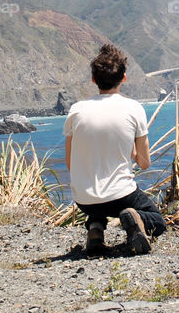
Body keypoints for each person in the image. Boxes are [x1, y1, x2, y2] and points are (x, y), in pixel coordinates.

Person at [64, 44, 166, 254]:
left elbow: (70, 162)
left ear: (94, 79)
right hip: (120, 198)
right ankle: (134, 218)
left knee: (97, 196)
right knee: (158, 221)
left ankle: (95, 228)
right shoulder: (134, 108)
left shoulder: (76, 110)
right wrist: (130, 149)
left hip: (84, 200)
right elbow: (144, 163)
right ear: (124, 78)